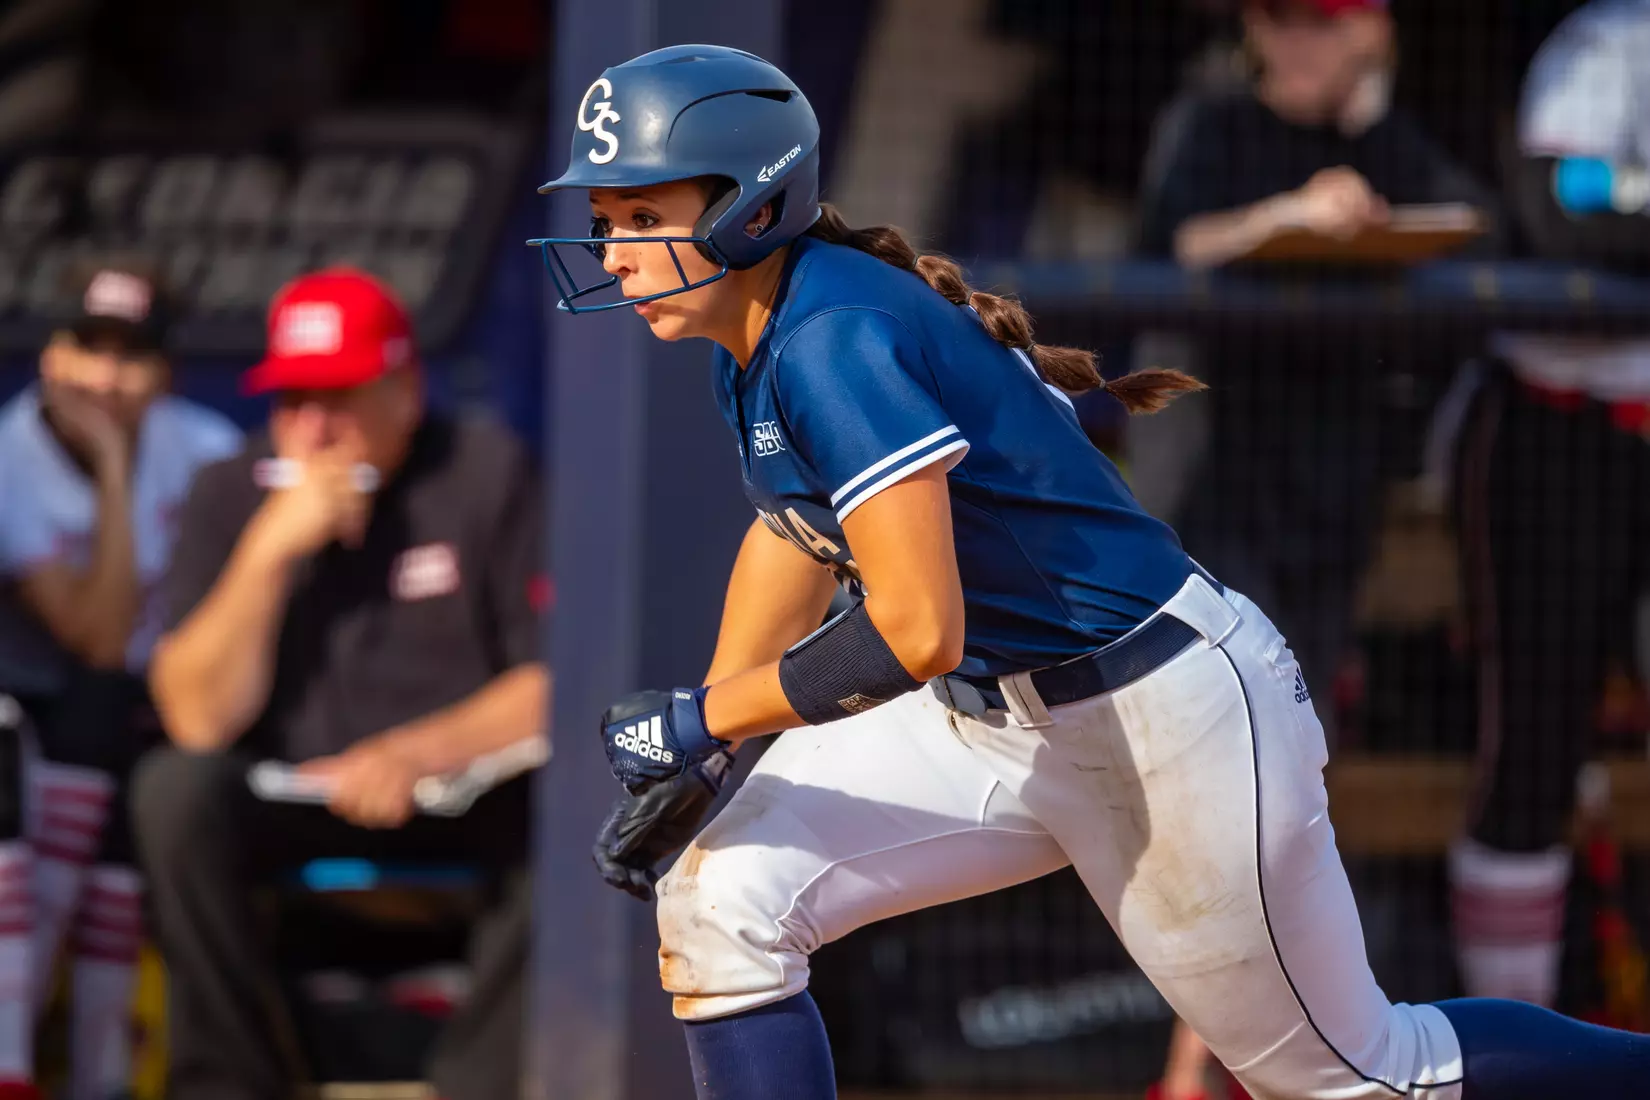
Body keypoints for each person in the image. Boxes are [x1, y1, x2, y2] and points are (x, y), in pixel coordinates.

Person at [535, 45, 1650, 1100]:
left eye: (645, 215)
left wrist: (703, 713)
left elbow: (915, 627)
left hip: (1164, 713)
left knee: (1354, 1077)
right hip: (993, 716)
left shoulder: (830, 334)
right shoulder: (760, 326)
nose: (616, 248)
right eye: (606, 219)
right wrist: (722, 737)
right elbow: (792, 530)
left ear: (754, 205)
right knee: (724, 894)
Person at [137, 268, 546, 1100]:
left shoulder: (483, 472)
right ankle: (231, 1083)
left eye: (338, 398)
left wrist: (414, 753)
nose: (313, 429)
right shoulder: (229, 489)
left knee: (591, 795)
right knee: (172, 791)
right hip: (291, 796)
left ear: (403, 389)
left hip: (452, 796)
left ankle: (483, 1084)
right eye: (292, 402)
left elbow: (555, 680)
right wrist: (268, 553)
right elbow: (194, 718)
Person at [1132, 0, 1497, 723]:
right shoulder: (1211, 121)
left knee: (1301, 724)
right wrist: (1285, 216)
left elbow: (1482, 231)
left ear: (1369, 31)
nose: (1297, 41)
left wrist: (1372, 133)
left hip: (1331, 483)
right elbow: (1171, 242)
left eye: (1323, 22)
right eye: (1278, 18)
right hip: (1213, 479)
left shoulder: (1382, 144)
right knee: (1205, 714)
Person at [1448, 0, 1650, 1013]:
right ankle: (1520, 1047)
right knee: (1535, 741)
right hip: (1560, 429)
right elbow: (1562, 207)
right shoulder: (1608, 42)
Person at [0, 266, 242, 1100]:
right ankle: (20, 1059)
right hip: (49, 710)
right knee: (88, 730)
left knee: (152, 781)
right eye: (86, 349)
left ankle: (98, 1077)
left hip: (164, 709)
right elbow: (98, 639)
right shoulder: (12, 453)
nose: (104, 376)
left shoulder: (206, 445)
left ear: (164, 373)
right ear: (50, 357)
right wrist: (111, 464)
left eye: (129, 356)